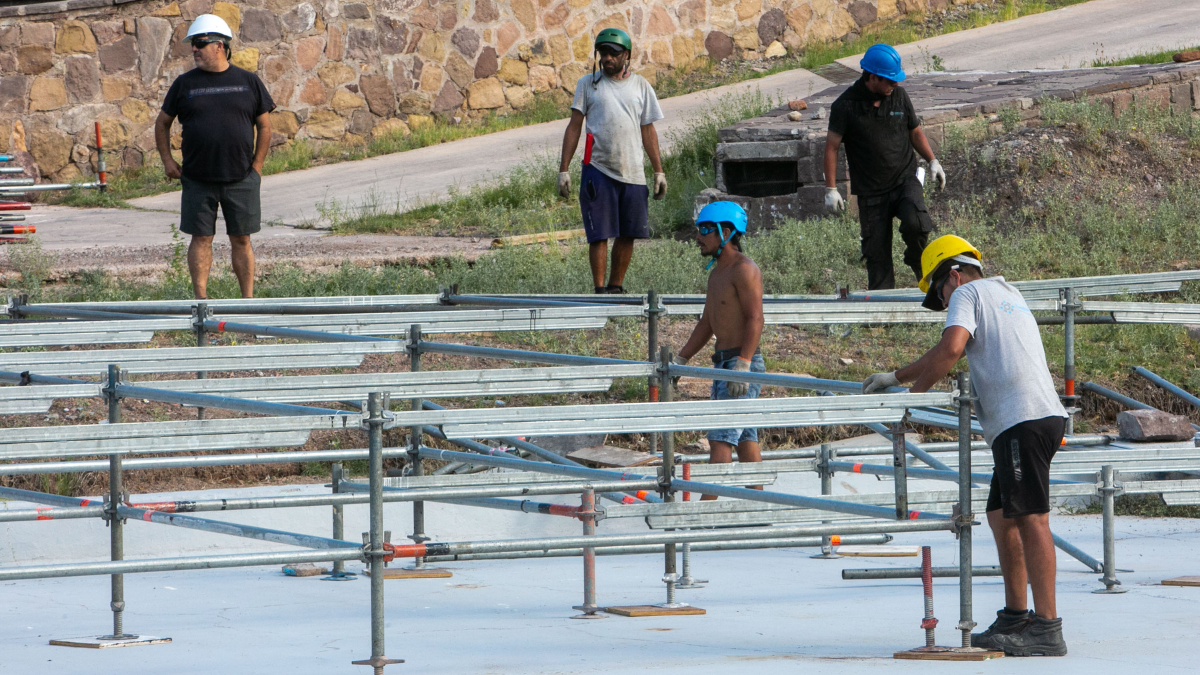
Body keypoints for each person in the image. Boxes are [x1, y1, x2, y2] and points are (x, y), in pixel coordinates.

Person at [862, 235, 1068, 657]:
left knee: (1032, 519)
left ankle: (1047, 629)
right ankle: (1016, 616)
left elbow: (952, 348)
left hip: (1022, 420)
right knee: (1001, 515)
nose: (943, 302)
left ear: (953, 275)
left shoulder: (966, 293)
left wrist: (912, 401)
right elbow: (944, 349)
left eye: (940, 293)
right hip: (1034, 417)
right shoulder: (1005, 293)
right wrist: (896, 378)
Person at [154, 14, 274, 300]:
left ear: (220, 45)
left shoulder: (248, 81)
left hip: (241, 178)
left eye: (200, 43)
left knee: (241, 239)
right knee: (201, 238)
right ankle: (201, 302)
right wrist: (168, 161)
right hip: (197, 179)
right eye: (192, 44)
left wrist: (257, 168)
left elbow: (265, 126)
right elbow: (162, 123)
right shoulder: (184, 84)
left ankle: (248, 302)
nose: (194, 49)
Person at [824, 43, 947, 291]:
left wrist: (932, 160)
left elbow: (915, 132)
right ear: (872, 77)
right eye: (890, 80)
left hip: (904, 180)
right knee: (877, 256)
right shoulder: (844, 106)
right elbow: (831, 147)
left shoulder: (899, 97)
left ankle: (923, 272)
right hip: (871, 192)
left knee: (916, 223)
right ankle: (883, 306)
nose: (895, 84)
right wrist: (831, 189)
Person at [558, 28, 667, 294]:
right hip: (597, 169)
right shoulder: (588, 84)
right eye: (603, 53)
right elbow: (574, 126)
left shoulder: (640, 86)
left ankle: (616, 287)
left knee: (628, 232)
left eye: (613, 54)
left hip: (633, 172)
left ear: (626, 55)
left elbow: (648, 130)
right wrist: (563, 169)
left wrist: (658, 171)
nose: (607, 58)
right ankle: (599, 292)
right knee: (599, 233)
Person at [672, 202, 765, 497]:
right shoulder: (716, 274)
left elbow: (755, 319)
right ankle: (759, 504)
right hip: (724, 365)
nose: (698, 237)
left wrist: (744, 363)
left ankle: (706, 511)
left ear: (725, 232)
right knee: (746, 440)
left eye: (704, 230)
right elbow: (707, 323)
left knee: (720, 441)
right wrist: (681, 358)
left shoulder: (744, 269)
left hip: (740, 366)